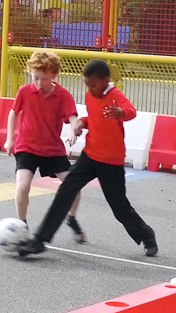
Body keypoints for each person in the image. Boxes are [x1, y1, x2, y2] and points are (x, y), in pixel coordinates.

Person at [19, 58, 158, 258]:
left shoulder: (115, 95)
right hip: (90, 156)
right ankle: (40, 240)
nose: (90, 89)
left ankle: (146, 235)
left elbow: (130, 111)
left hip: (111, 161)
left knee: (120, 208)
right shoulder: (91, 95)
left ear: (105, 80)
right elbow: (94, 119)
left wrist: (121, 112)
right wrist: (82, 123)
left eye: (93, 85)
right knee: (65, 191)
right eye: (87, 85)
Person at [4, 50, 87, 243]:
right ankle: (22, 225)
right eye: (35, 78)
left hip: (52, 148)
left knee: (73, 186)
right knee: (22, 186)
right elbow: (13, 113)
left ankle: (72, 219)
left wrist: (73, 130)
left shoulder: (63, 95)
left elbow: (72, 117)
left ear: (54, 75)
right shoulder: (25, 91)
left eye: (43, 79)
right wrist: (10, 138)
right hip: (26, 146)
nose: (39, 83)